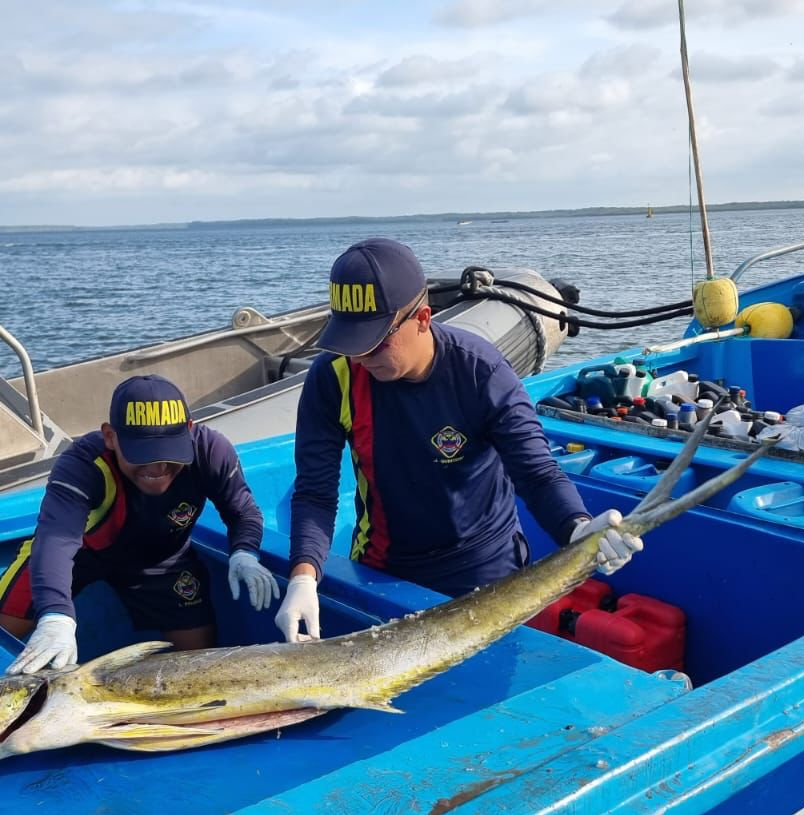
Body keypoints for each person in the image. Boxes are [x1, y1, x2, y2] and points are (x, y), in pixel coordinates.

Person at [275, 238, 642, 642]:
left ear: (423, 317)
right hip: (384, 568)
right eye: (351, 341)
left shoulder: (480, 373)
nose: (362, 356)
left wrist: (578, 529)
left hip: (485, 571)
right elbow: (316, 491)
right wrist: (303, 577)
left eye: (377, 340)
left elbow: (536, 474)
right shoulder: (334, 376)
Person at [0, 374, 278, 673]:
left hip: (163, 561)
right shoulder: (84, 464)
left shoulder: (210, 451)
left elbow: (243, 511)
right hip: (79, 557)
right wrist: (55, 615)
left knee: (200, 664)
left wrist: (244, 553)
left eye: (169, 452)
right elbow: (55, 540)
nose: (158, 467)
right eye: (143, 454)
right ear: (111, 437)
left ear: (189, 431)